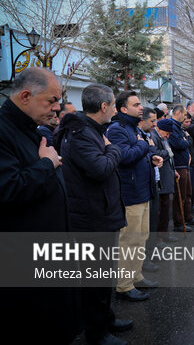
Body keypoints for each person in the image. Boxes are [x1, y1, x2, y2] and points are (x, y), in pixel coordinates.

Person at [0, 67, 80, 344]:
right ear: (25, 96)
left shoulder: (29, 129)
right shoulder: (3, 132)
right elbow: (9, 188)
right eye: (52, 101)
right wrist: (47, 163)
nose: (58, 108)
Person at [57, 83, 133, 345]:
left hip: (99, 214)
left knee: (103, 278)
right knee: (95, 280)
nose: (114, 109)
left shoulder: (90, 130)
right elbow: (101, 168)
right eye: (112, 104)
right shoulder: (81, 134)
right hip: (91, 219)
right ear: (104, 107)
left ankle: (106, 320)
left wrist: (107, 145)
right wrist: (113, 148)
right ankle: (97, 333)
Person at [107, 91, 162, 301]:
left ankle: (136, 276)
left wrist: (152, 156)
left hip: (142, 190)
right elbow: (126, 156)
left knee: (141, 238)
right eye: (136, 104)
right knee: (129, 241)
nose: (141, 107)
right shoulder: (116, 130)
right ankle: (124, 285)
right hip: (130, 194)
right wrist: (143, 145)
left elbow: (140, 153)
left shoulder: (133, 128)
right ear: (123, 109)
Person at [168, 105, 194, 231]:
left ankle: (188, 216)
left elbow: (185, 142)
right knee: (180, 196)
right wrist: (186, 139)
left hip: (185, 164)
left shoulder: (178, 127)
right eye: (184, 114)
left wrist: (185, 140)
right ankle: (179, 222)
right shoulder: (172, 126)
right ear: (178, 113)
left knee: (188, 193)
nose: (185, 117)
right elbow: (178, 143)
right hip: (179, 165)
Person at [151, 118, 179, 242]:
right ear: (160, 129)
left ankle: (165, 234)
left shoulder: (163, 138)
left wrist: (174, 171)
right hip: (160, 179)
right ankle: (159, 238)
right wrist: (167, 153)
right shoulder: (154, 137)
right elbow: (155, 153)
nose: (167, 136)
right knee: (160, 210)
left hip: (167, 176)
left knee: (165, 208)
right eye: (166, 133)